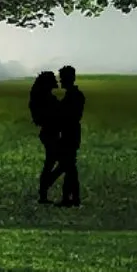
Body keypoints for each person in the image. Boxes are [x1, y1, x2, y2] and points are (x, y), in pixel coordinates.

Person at [50, 65, 85, 208]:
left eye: (62, 78)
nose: (59, 80)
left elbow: (68, 116)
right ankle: (71, 199)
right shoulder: (75, 95)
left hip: (69, 135)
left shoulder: (73, 96)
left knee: (68, 167)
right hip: (71, 134)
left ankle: (70, 199)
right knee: (70, 168)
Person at [28, 70, 61, 204]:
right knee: (61, 162)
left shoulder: (41, 98)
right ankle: (45, 188)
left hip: (49, 133)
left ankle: (44, 192)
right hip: (50, 133)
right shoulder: (47, 99)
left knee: (53, 162)